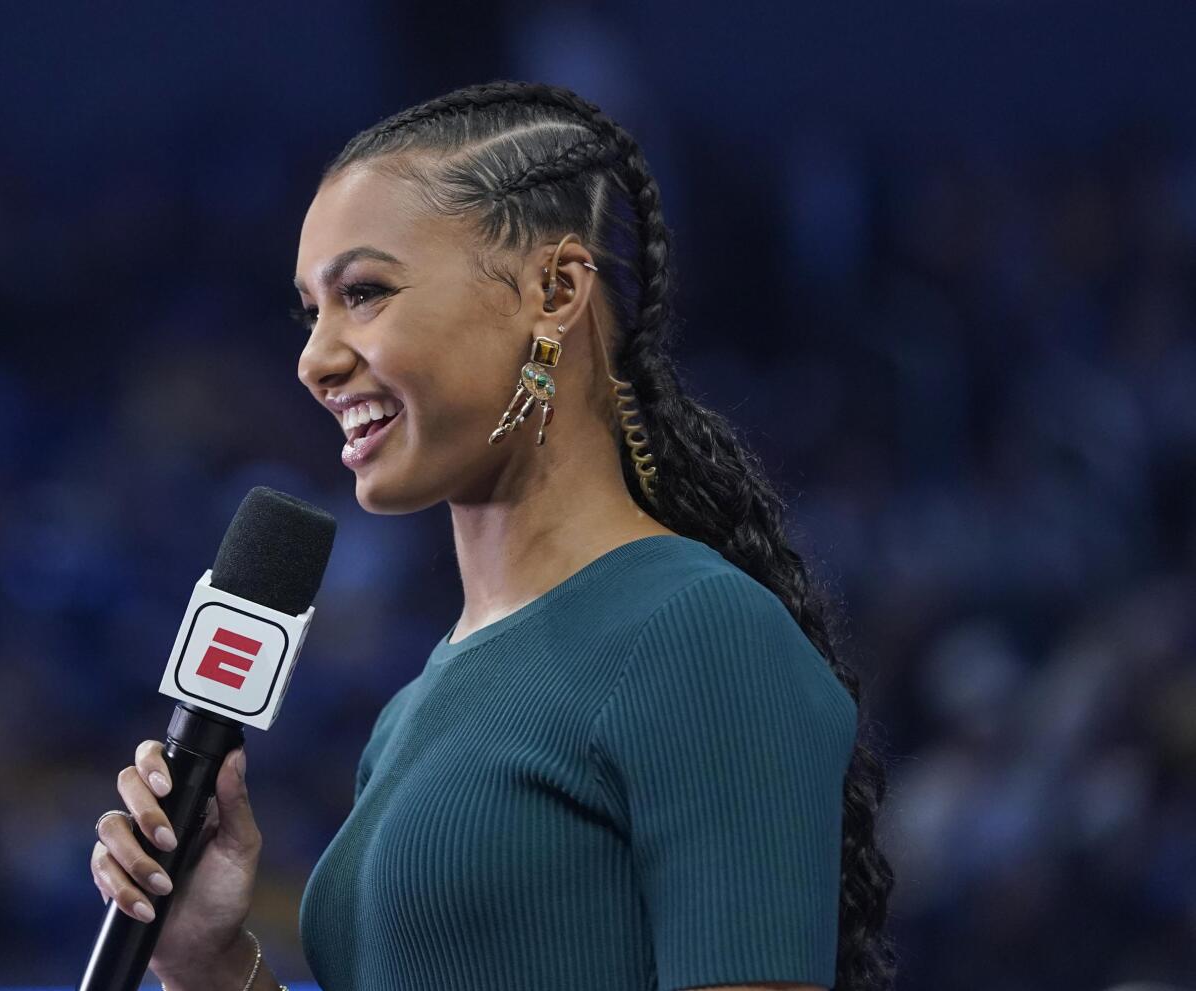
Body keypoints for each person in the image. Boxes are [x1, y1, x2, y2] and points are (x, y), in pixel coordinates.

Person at [89, 80, 898, 991]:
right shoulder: (408, 715)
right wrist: (207, 958)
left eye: (364, 291)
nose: (315, 358)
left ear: (553, 290)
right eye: (310, 310)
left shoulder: (699, 634)